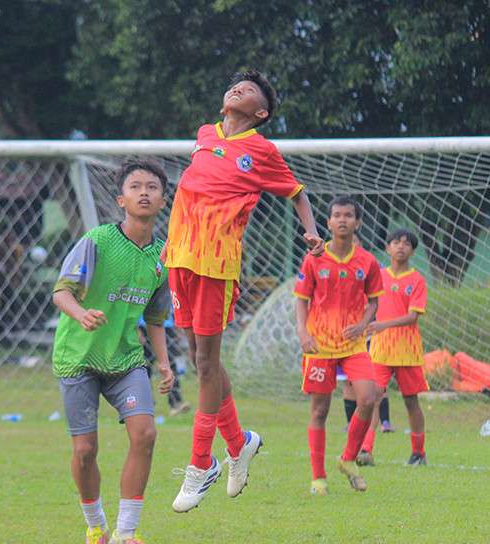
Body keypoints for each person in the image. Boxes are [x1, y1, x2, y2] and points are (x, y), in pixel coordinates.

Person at [164, 68, 324, 512]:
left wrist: (312, 232)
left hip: (216, 264)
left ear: (260, 113)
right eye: (235, 85)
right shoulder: (204, 134)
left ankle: (201, 464)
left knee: (206, 362)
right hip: (178, 258)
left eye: (249, 89)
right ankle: (239, 443)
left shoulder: (262, 150)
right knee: (200, 358)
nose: (237, 88)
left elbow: (298, 193)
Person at [52, 158, 174, 544]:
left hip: (126, 360)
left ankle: (126, 534)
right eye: (135, 187)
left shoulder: (161, 258)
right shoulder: (98, 241)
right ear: (121, 200)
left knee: (145, 434)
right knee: (85, 450)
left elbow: (155, 317)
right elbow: (61, 292)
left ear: (163, 200)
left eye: (152, 187)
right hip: (78, 357)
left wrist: (163, 362)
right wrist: (80, 313)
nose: (144, 193)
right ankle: (95, 529)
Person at [295, 196, 383, 494]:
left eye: (348, 215)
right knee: (320, 410)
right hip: (319, 345)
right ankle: (318, 478)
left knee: (368, 398)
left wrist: (363, 323)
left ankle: (348, 459)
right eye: (337, 215)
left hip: (353, 344)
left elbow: (374, 301)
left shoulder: (367, 261)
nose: (342, 219)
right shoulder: (313, 258)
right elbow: (301, 300)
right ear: (328, 222)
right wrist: (303, 333)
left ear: (357, 223)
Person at [358, 228, 429, 466]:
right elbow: (365, 304)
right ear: (388, 248)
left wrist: (382, 325)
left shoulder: (417, 280)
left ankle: (418, 453)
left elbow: (412, 317)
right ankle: (365, 450)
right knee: (373, 397)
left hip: (407, 351)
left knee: (411, 401)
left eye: (406, 243)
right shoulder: (377, 276)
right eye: (396, 242)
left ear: (412, 251)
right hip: (380, 349)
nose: (401, 246)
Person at [139, 317, 190, 416]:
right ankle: (145, 403)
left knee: (170, 365)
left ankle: (176, 401)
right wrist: (136, 327)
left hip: (166, 324)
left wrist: (177, 324)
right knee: (144, 367)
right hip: (143, 325)